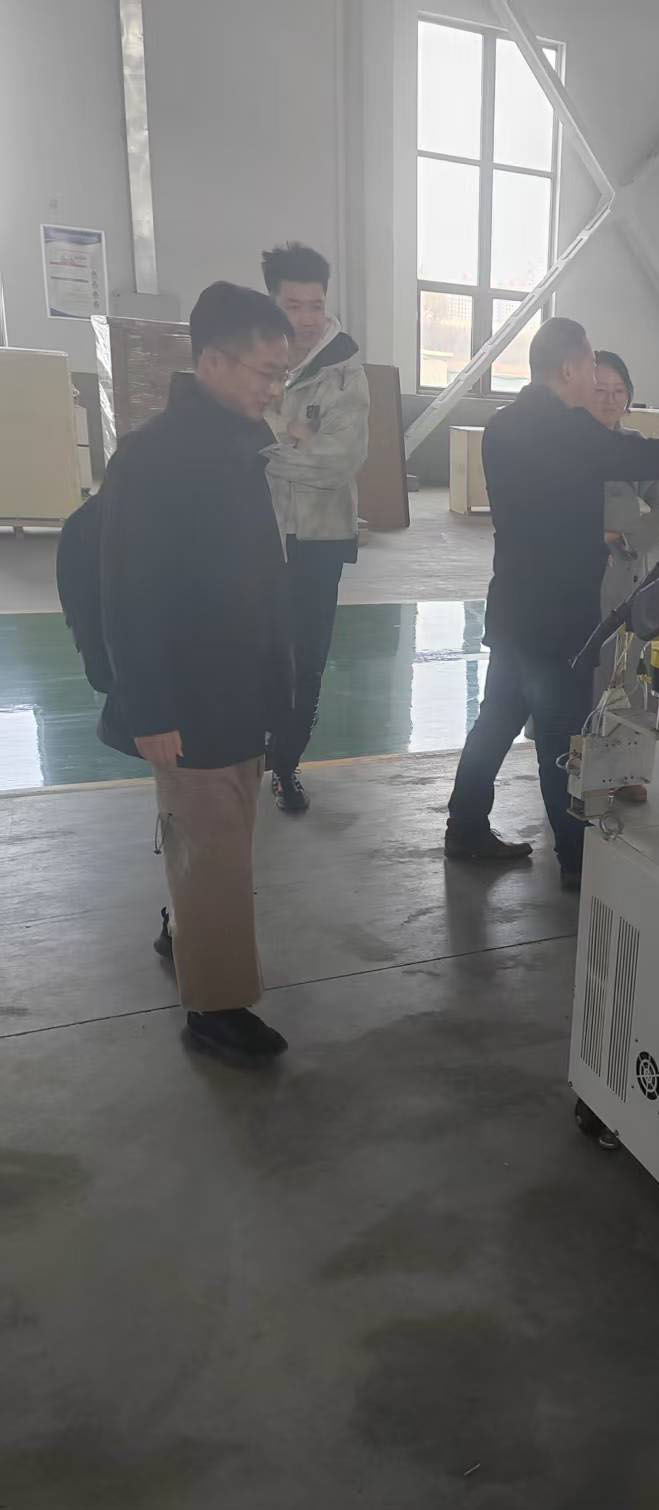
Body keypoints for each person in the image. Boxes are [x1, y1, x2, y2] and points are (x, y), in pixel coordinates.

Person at [445, 316, 659, 890]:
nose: (595, 376)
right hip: (558, 615)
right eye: (591, 364)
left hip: (511, 606)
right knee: (560, 740)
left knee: (495, 722)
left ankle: (464, 827)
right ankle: (575, 861)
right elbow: (645, 459)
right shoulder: (568, 430)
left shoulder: (501, 425)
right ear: (568, 368)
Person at [99, 281, 294, 1063]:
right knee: (213, 850)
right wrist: (149, 709)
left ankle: (184, 929)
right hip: (192, 696)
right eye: (265, 372)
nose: (274, 389)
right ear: (212, 360)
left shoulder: (238, 446)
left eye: (282, 374)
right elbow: (127, 593)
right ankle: (216, 1009)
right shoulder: (154, 458)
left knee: (219, 841)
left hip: (239, 687)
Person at [261, 241, 370, 814]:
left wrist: (268, 442)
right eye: (293, 305)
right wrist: (298, 435)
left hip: (320, 543)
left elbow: (339, 462)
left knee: (306, 663)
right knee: (250, 654)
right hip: (256, 537)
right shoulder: (252, 360)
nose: (306, 318)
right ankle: (247, 754)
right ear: (272, 303)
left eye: (316, 305)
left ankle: (285, 765)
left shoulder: (345, 370)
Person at [592, 349, 659, 804]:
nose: (611, 399)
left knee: (624, 672)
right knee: (579, 672)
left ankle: (625, 770)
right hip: (573, 576)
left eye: (619, 391)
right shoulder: (559, 447)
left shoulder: (635, 447)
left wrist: (627, 539)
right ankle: (571, 759)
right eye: (600, 390)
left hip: (625, 577)